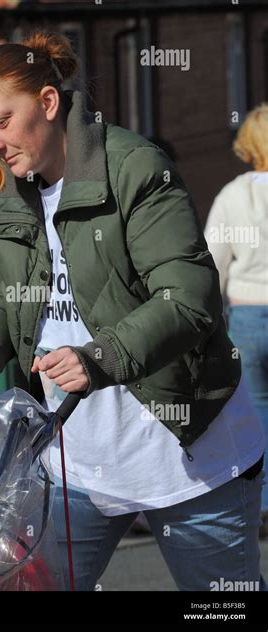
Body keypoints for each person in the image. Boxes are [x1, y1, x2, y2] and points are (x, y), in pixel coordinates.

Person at [0, 31, 266, 591]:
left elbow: (190, 293)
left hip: (189, 457)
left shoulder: (133, 167)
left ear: (49, 103)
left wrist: (99, 357)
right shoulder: (10, 197)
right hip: (72, 464)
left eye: (1, 122)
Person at [204, 103, 268, 537]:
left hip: (247, 314)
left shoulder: (233, 194)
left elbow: (212, 263)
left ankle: (263, 504)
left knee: (258, 412)